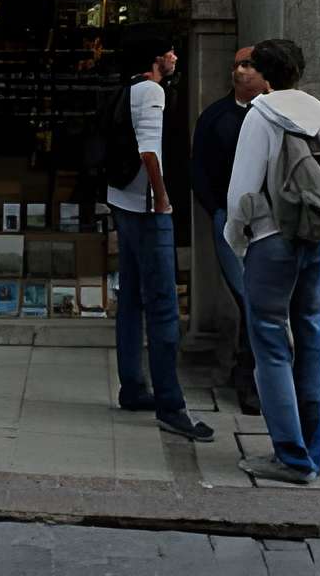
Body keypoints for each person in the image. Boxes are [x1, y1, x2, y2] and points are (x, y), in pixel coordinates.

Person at [225, 36, 320, 485]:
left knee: (270, 343)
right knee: (311, 333)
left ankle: (290, 455)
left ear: (262, 73)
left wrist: (236, 239)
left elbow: (243, 190)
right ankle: (312, 449)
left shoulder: (261, 115)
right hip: (312, 238)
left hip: (270, 238)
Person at [107, 26, 213, 443]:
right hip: (149, 210)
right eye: (168, 51)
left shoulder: (126, 89)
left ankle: (133, 385)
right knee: (165, 306)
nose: (173, 57)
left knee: (131, 299)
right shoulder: (152, 92)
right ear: (155, 59)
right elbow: (149, 151)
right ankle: (172, 405)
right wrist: (163, 199)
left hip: (122, 202)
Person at [191, 44, 267, 414]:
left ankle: (248, 370)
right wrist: (218, 210)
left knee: (261, 300)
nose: (242, 71)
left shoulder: (276, 114)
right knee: (247, 298)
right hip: (229, 218)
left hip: (271, 221)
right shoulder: (215, 117)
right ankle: (247, 376)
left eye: (250, 65)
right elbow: (199, 169)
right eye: (238, 64)